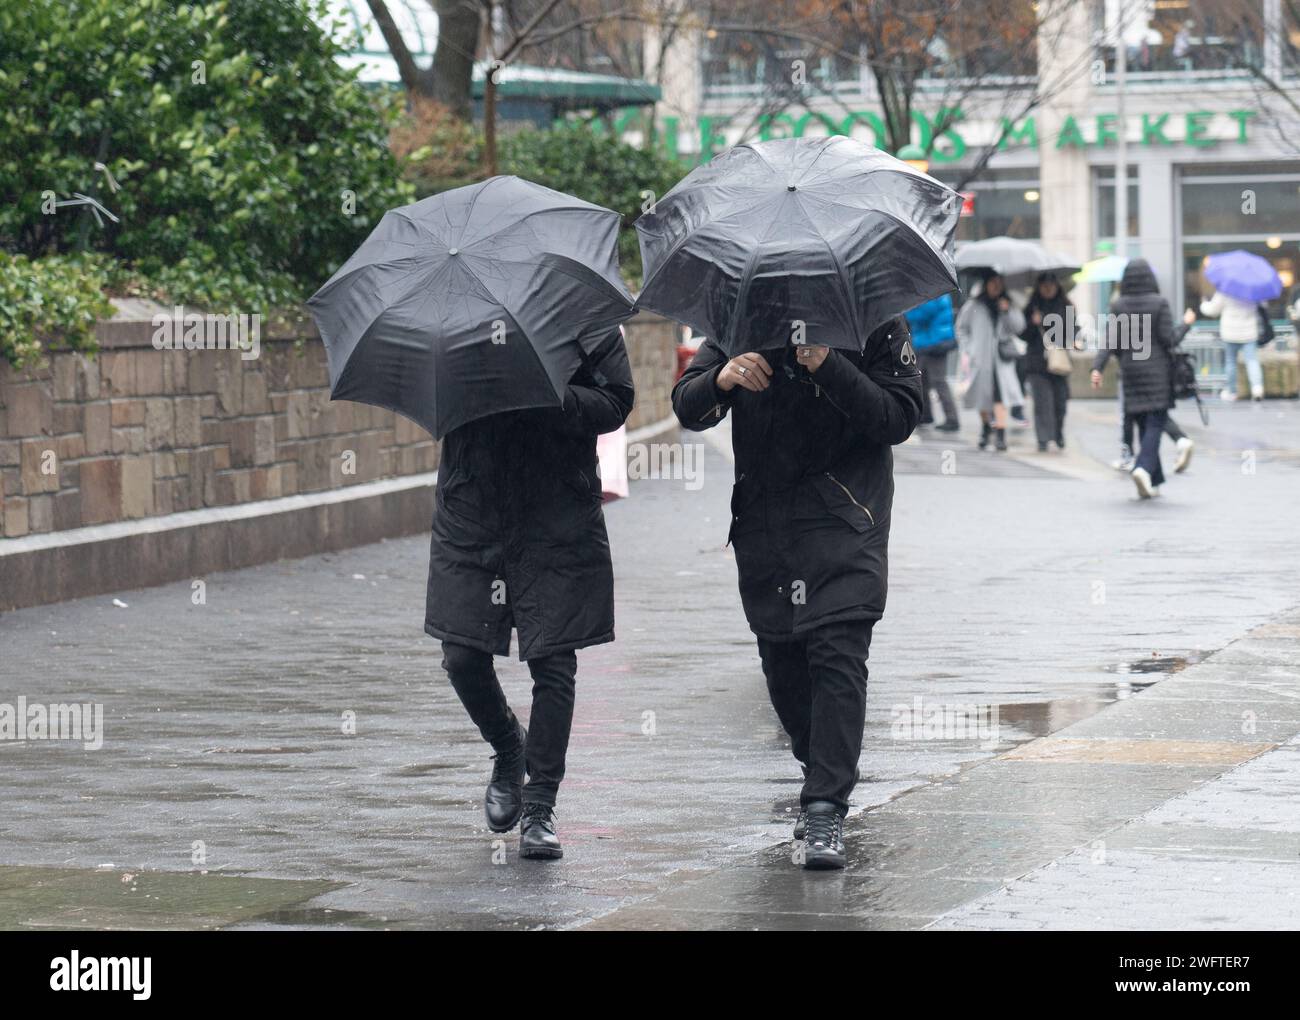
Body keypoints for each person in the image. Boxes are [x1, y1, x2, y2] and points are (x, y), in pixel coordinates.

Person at [672, 316, 922, 870]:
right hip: (767, 529)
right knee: (784, 664)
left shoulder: (874, 322)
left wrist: (828, 364)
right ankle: (820, 770)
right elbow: (688, 406)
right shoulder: (743, 317)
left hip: (846, 522)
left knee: (836, 653)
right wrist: (724, 380)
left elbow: (899, 417)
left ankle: (826, 806)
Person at [425, 328, 634, 860]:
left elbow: (615, 402)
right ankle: (506, 745)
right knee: (462, 655)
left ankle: (540, 806)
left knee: (554, 660)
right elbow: (432, 394)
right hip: (474, 506)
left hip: (556, 512)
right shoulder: (456, 318)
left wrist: (547, 392)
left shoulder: (585, 316)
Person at [1091, 259, 1176, 499]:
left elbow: (1110, 339)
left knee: (1141, 423)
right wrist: (1187, 326)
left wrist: (1097, 367)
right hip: (1157, 371)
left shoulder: (1119, 306)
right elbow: (1169, 339)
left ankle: (1155, 481)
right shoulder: (1160, 304)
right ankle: (1142, 468)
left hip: (1130, 371)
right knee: (1155, 423)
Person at [956, 270, 1026, 452]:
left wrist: (1007, 311)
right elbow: (961, 329)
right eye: (992, 282)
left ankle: (1001, 435)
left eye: (999, 282)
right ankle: (986, 428)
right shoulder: (974, 305)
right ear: (986, 284)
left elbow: (1019, 327)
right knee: (982, 398)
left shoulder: (1008, 304)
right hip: (979, 360)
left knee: (1000, 397)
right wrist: (969, 348)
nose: (996, 286)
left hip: (1000, 360)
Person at [1020, 272, 1079, 452]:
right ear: (1039, 287)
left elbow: (1073, 330)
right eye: (1044, 285)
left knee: (1060, 403)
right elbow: (1023, 334)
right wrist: (1032, 322)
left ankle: (1058, 432)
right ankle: (1043, 438)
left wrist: (1075, 338)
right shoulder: (1031, 308)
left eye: (1051, 285)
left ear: (1057, 286)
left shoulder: (1066, 306)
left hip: (1059, 362)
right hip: (1037, 362)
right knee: (1042, 402)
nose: (1048, 289)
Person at [905, 292, 959, 432]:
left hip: (935, 342)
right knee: (922, 380)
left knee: (938, 381)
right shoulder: (936, 292)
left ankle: (952, 418)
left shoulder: (934, 294)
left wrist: (907, 309)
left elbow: (919, 316)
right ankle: (926, 415)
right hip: (928, 341)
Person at [1198, 287, 1263, 401]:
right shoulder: (1252, 290)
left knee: (1230, 361)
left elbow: (1213, 310)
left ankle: (1232, 391)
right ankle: (1257, 388)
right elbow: (1260, 307)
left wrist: (1203, 304)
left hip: (1230, 332)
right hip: (1249, 332)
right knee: (1252, 361)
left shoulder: (1225, 290)